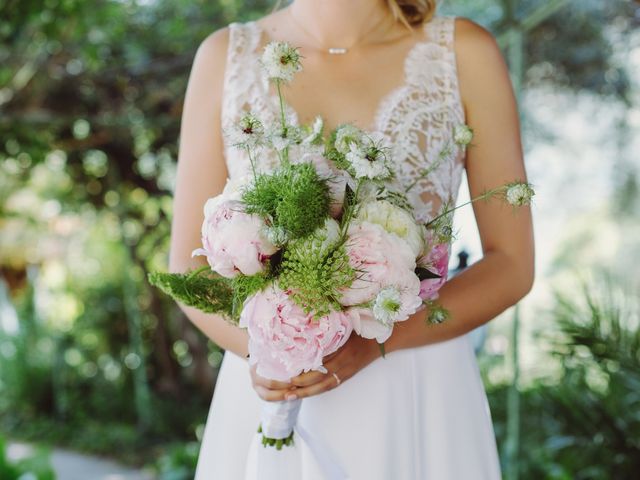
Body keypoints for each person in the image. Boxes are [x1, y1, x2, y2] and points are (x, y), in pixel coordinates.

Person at [169, 0, 535, 478]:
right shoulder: (225, 55)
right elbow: (187, 266)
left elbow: (512, 264)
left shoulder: (463, 51)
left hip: (419, 386)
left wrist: (381, 340)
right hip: (273, 388)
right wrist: (269, 352)